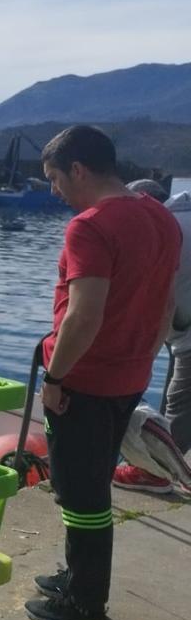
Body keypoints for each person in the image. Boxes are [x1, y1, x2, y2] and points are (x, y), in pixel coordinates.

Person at [26, 126, 180, 620]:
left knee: (83, 495)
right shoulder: (160, 217)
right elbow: (164, 307)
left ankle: (85, 607)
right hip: (130, 375)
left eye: (54, 179)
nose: (54, 192)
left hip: (84, 383)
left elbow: (83, 316)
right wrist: (142, 358)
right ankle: (77, 576)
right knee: (87, 483)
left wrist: (56, 378)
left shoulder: (89, 227)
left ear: (78, 170)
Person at [113, 178, 191, 493]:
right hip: (182, 333)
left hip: (185, 335)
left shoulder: (166, 230)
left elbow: (153, 300)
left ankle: (156, 472)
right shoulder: (182, 218)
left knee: (179, 401)